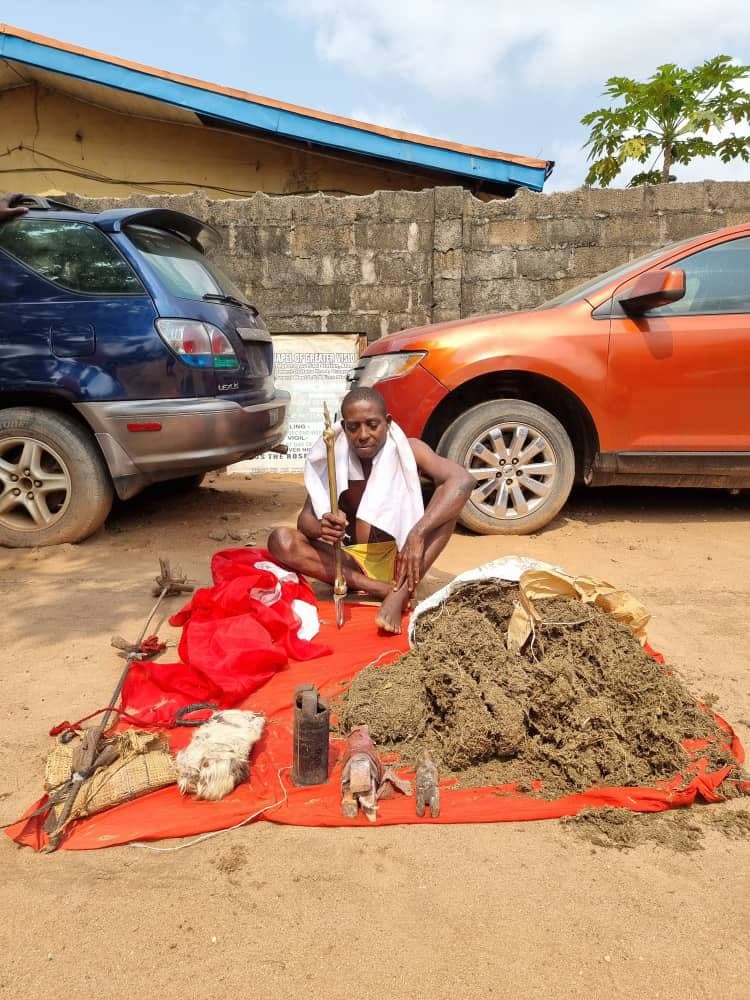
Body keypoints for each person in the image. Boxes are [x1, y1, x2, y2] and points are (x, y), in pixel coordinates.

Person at [268, 386, 475, 633]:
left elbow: (462, 481)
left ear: (387, 423)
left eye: (372, 425)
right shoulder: (333, 455)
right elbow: (305, 522)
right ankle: (380, 589)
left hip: (404, 561)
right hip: (351, 563)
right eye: (354, 427)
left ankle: (399, 593)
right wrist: (324, 525)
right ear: (344, 427)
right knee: (280, 539)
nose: (363, 435)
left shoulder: (409, 449)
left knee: (446, 512)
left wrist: (418, 533)